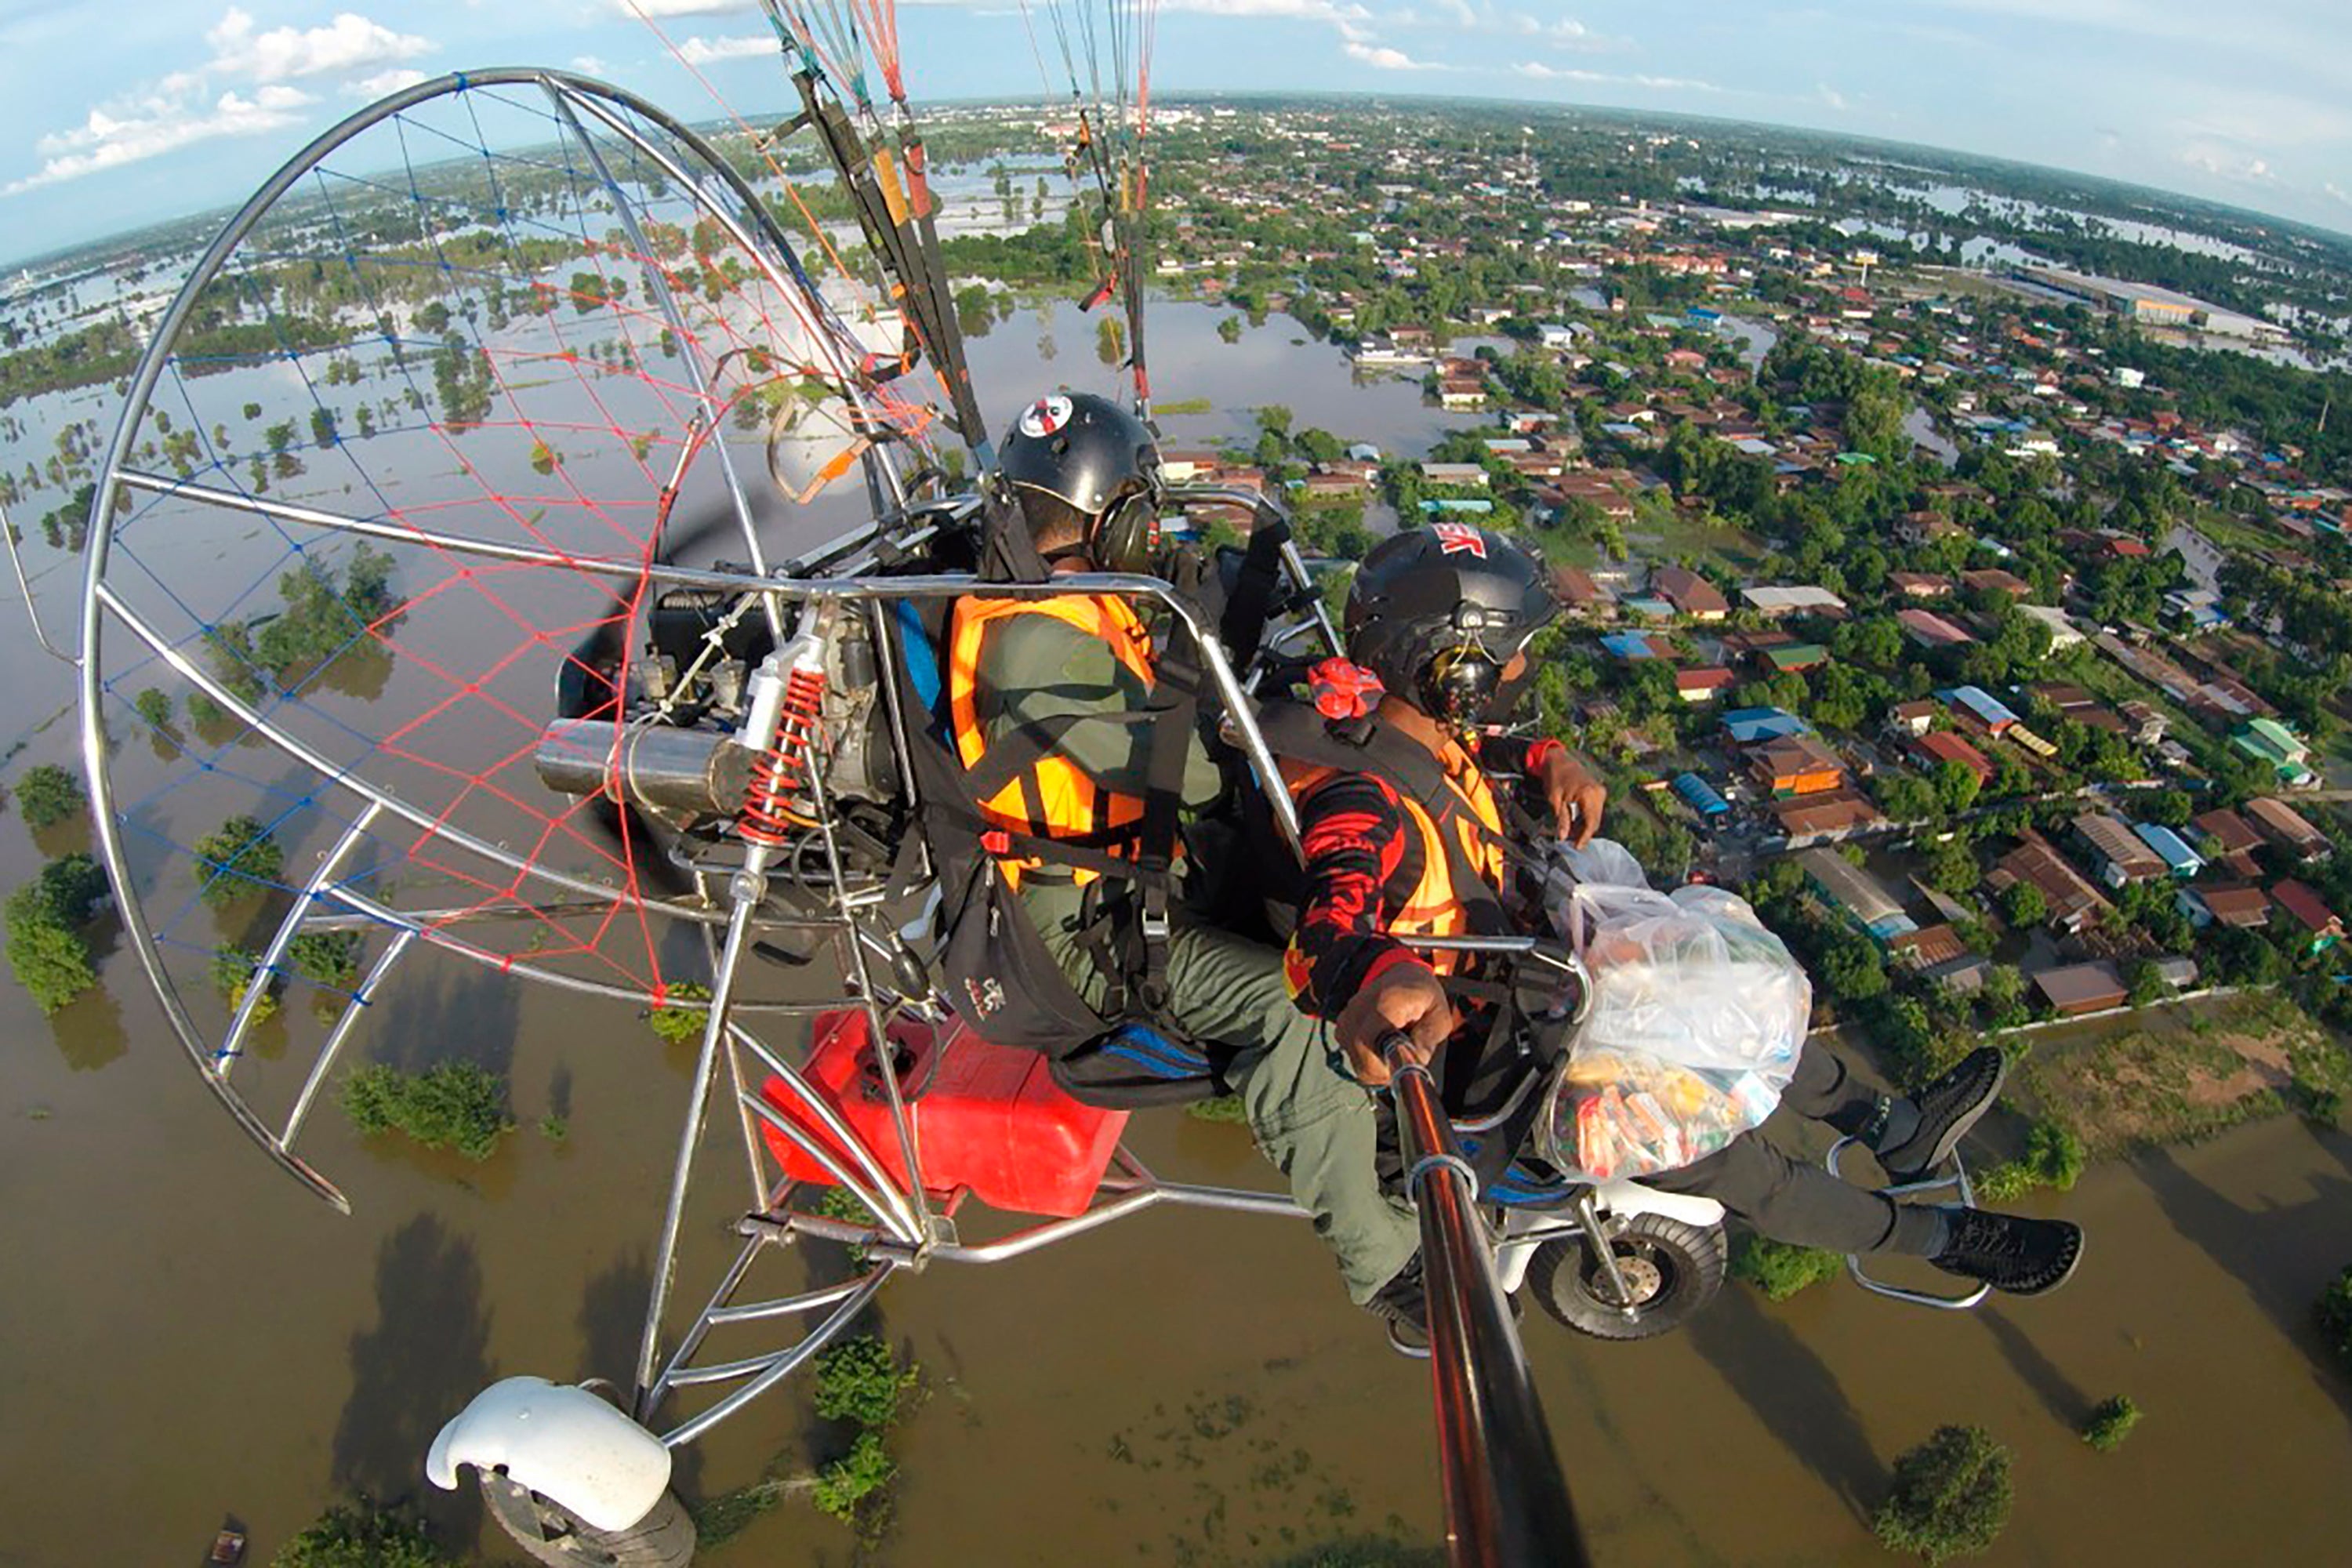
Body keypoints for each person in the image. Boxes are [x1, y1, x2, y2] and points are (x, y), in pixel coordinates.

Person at [1277, 525, 2084, 1329]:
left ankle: (1899, 1130)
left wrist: (1545, 755)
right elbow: (1326, 938)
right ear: (1459, 671)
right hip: (1495, 1072)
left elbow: (1472, 755)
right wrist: (1377, 974)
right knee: (1733, 1160)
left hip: (1535, 991)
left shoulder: (1410, 731)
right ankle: (1943, 1237)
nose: (1524, 671)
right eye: (1515, 655)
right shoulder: (1361, 801)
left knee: (1716, 996)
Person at [946, 390, 1423, 1308]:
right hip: (1083, 927)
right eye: (1143, 508)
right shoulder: (1035, 646)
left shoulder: (1073, 601)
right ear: (1112, 519)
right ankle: (1385, 1264)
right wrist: (1281, 722)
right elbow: (1192, 778)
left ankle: (1384, 1123)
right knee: (1290, 1005)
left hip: (1141, 873)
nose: (1155, 529)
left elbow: (1169, 674)